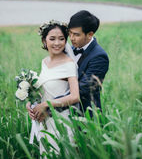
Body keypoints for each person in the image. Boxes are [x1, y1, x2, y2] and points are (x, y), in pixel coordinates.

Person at [26, 20, 79, 155]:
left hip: (61, 121)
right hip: (44, 121)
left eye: (61, 39)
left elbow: (75, 96)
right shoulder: (44, 62)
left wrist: (46, 104)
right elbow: (44, 88)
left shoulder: (69, 64)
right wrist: (31, 104)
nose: (57, 43)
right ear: (44, 41)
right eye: (52, 39)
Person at [67, 10, 109, 114]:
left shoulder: (99, 57)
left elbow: (82, 89)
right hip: (67, 113)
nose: (71, 38)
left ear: (90, 34)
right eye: (70, 33)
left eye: (76, 35)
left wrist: (52, 101)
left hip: (86, 116)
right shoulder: (70, 50)